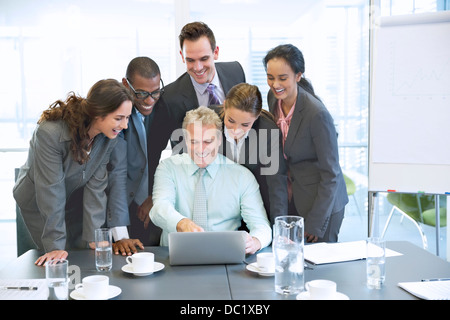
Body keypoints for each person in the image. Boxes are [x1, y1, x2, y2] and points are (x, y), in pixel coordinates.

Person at [13, 79, 133, 265]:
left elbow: (96, 187)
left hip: (71, 199)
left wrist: (94, 235)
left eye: (127, 118)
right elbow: (50, 190)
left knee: (81, 256)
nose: (124, 125)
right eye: (119, 118)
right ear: (98, 114)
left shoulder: (109, 137)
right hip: (37, 202)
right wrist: (54, 245)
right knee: (55, 258)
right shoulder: (50, 132)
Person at [149, 106, 271, 254]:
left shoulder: (241, 176)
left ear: (219, 140)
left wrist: (255, 242)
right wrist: (181, 223)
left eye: (208, 141)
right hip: (174, 255)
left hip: (224, 256)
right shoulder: (168, 168)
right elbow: (159, 208)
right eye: (194, 142)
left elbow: (261, 226)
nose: (201, 149)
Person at [146, 21, 246, 193]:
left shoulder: (236, 71)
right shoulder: (169, 98)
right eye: (190, 60)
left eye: (204, 59)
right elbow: (153, 150)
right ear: (182, 56)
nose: (198, 67)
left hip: (237, 178)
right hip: (193, 186)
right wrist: (151, 194)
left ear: (216, 52)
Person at [263, 44, 348, 243]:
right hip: (295, 197)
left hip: (322, 205)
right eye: (270, 77)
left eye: (283, 78)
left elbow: (331, 174)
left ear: (298, 75)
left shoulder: (317, 114)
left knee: (319, 266)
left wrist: (316, 223)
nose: (275, 84)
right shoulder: (274, 99)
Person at [107, 57, 164, 250]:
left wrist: (155, 197)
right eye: (141, 94)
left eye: (155, 92)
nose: (149, 101)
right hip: (118, 203)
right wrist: (120, 235)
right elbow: (117, 174)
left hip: (153, 202)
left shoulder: (165, 106)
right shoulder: (116, 116)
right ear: (126, 84)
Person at [213, 83, 288, 225]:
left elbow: (276, 182)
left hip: (254, 204)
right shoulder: (209, 120)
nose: (236, 130)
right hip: (217, 205)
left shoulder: (268, 130)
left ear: (257, 116)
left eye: (245, 125)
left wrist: (279, 227)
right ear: (224, 106)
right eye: (231, 121)